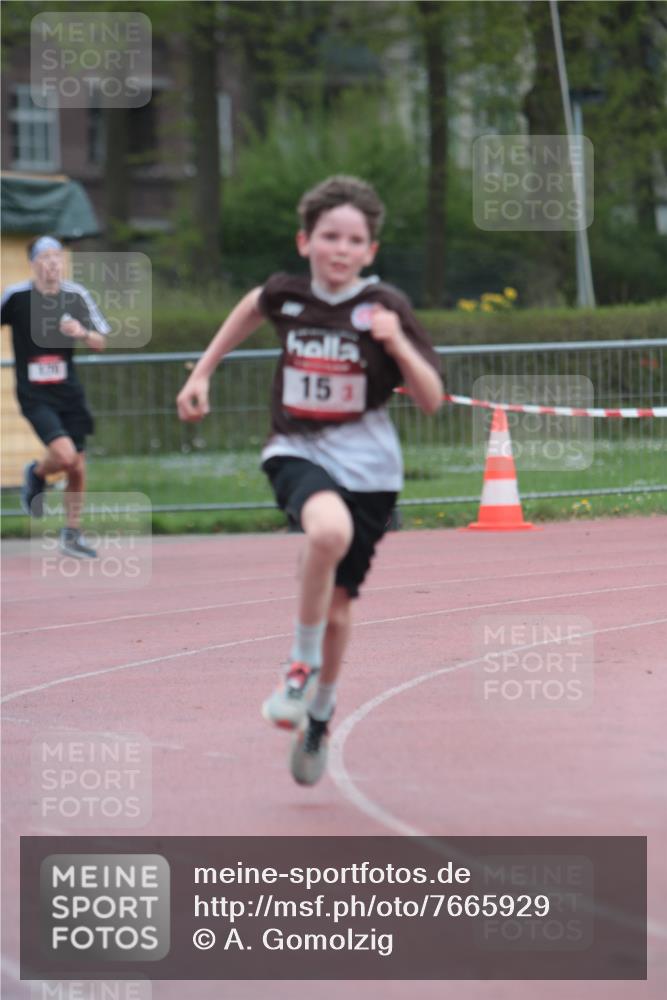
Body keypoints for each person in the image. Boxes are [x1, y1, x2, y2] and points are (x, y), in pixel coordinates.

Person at [177, 176, 443, 786]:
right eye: (330, 236)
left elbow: (431, 399)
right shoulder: (287, 295)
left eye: (354, 240)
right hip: (295, 447)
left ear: (370, 251)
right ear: (306, 241)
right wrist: (201, 374)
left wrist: (396, 341)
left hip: (371, 468)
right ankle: (298, 666)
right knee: (326, 531)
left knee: (342, 611)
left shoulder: (387, 307)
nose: (341, 249)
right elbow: (251, 306)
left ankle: (320, 711)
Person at [1, 236, 110, 557]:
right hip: (34, 393)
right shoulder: (17, 297)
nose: (53, 263)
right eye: (45, 257)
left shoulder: (76, 295)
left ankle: (72, 534)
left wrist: (82, 332)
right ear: (33, 263)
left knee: (77, 465)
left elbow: (100, 342)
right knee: (63, 456)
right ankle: (37, 473)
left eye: (57, 256)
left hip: (69, 393)